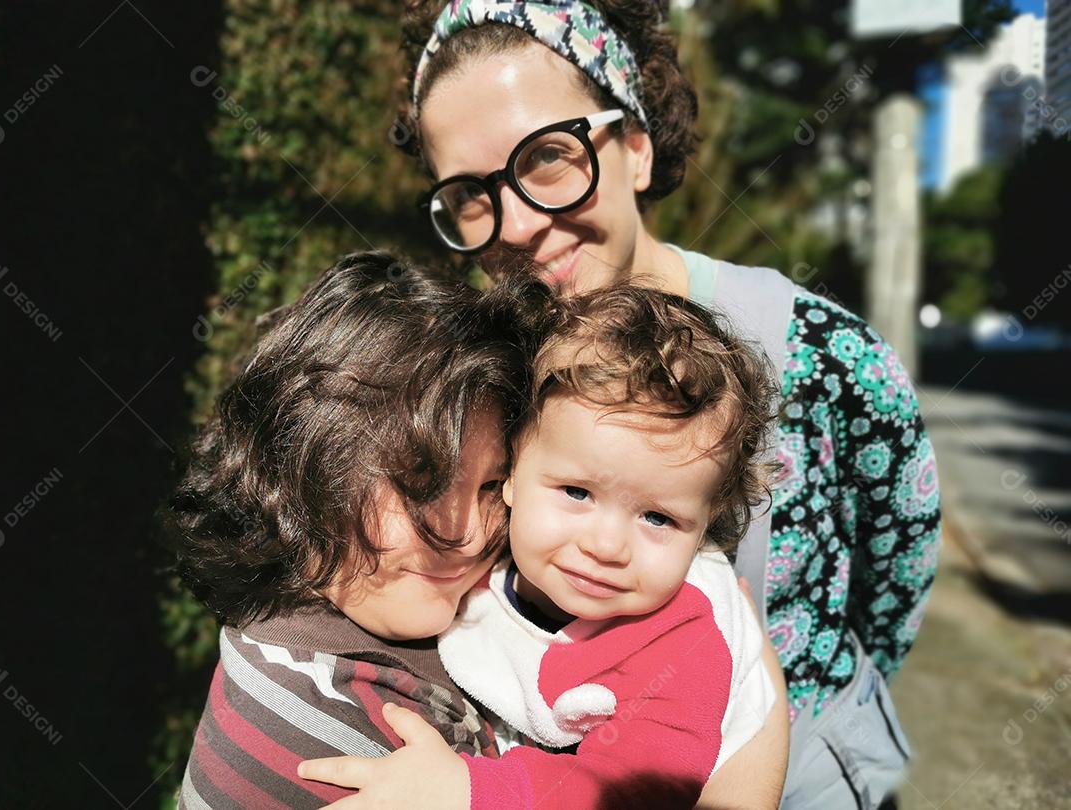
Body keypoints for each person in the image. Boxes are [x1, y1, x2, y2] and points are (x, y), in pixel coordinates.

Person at [383, 1, 940, 805]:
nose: (517, 224)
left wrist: (783, 729)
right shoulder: (480, 378)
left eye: (548, 157)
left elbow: (896, 574)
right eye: (470, 194)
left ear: (635, 146)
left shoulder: (817, 355)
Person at [169, 251, 787, 809]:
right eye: (422, 481)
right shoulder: (301, 723)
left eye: (491, 485)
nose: (465, 533)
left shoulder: (465, 603)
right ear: (304, 465)